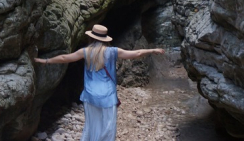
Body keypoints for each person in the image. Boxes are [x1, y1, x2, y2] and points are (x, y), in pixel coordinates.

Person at [33, 24, 164, 141]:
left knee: (91, 125)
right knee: (108, 127)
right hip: (108, 96)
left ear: (92, 38)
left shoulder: (85, 52)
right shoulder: (113, 51)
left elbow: (64, 58)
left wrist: (45, 61)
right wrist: (152, 50)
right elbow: (137, 53)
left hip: (90, 95)